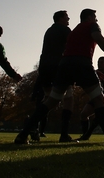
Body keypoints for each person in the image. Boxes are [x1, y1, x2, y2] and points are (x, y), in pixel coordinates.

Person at [15, 9, 104, 146]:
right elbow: (97, 38)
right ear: (89, 17)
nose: (96, 20)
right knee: (99, 99)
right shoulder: (91, 26)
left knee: (52, 101)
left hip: (64, 65)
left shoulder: (74, 31)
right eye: (95, 17)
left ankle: (23, 134)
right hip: (82, 64)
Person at [30, 10, 75, 143]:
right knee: (69, 98)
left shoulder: (49, 31)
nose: (69, 19)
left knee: (49, 99)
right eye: (67, 17)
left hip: (44, 67)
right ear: (61, 18)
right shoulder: (65, 30)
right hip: (58, 67)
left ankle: (32, 123)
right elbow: (73, 45)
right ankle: (64, 134)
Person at [77, 56, 104, 141]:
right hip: (95, 98)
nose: (100, 64)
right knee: (83, 114)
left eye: (102, 62)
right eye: (98, 62)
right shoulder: (94, 73)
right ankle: (85, 135)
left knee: (99, 117)